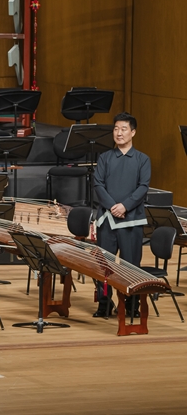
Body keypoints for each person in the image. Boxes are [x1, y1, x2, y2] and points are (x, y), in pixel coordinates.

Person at [92, 112, 151, 317]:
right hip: (107, 220)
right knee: (104, 266)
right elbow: (98, 184)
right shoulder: (105, 158)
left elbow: (143, 187)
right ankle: (104, 304)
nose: (119, 133)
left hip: (131, 221)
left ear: (133, 132)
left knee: (131, 265)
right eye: (116, 128)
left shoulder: (143, 160)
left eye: (124, 129)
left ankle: (132, 305)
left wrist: (124, 206)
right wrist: (112, 206)